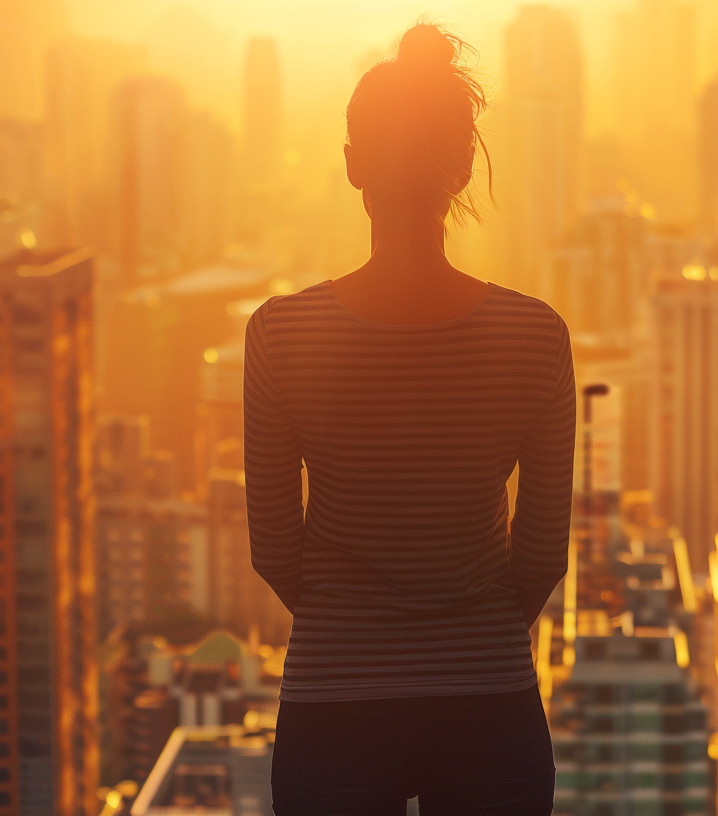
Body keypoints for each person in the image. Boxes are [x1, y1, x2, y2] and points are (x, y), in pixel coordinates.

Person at [244, 22, 575, 816]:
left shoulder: (281, 335)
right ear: (462, 166)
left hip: (334, 708)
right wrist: (468, 630)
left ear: (353, 163)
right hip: (491, 705)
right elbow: (540, 554)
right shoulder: (535, 336)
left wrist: (353, 622)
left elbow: (274, 546)